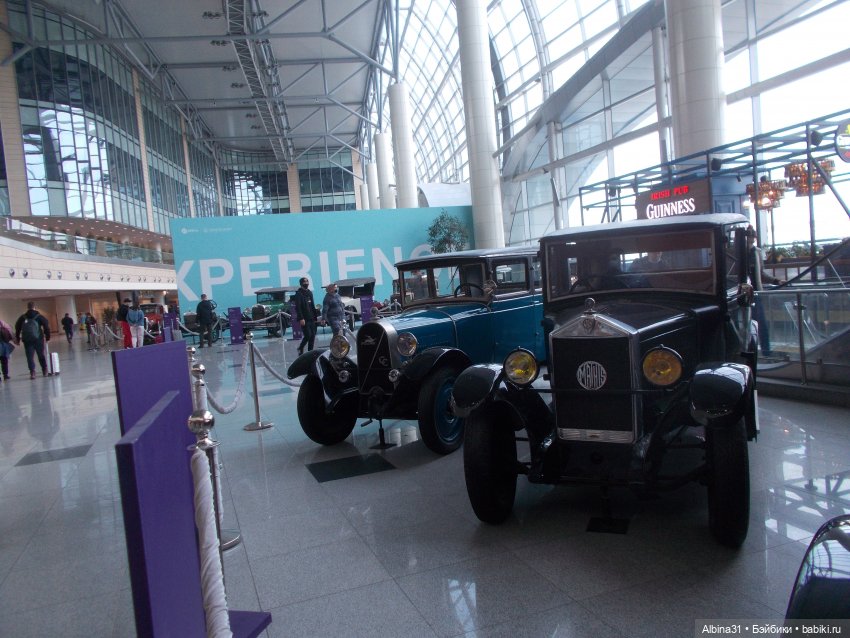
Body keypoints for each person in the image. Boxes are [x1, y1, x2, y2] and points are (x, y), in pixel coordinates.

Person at [747, 226, 785, 356]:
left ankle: (766, 352)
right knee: (747, 325)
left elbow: (761, 274)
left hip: (756, 293)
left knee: (761, 324)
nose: (752, 237)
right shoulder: (737, 252)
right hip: (742, 294)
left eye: (753, 235)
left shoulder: (756, 252)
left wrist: (776, 280)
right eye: (750, 235)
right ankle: (750, 351)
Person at [14, 301, 50, 379]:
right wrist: (47, 337)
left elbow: (17, 327)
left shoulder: (22, 317)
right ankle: (44, 370)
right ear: (34, 307)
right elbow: (46, 326)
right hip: (38, 339)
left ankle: (32, 372)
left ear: (27, 307)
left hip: (27, 340)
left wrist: (17, 338)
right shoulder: (39, 316)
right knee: (41, 355)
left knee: (30, 356)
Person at [294, 277, 318, 354]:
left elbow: (312, 304)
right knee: (308, 335)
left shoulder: (310, 292)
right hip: (304, 318)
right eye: (304, 282)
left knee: (313, 335)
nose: (306, 284)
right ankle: (300, 347)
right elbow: (298, 307)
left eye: (307, 282)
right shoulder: (298, 294)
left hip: (312, 317)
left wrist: (316, 316)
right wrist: (301, 318)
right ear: (301, 284)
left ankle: (310, 352)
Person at [0, 317, 14, 382]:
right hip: (3, 346)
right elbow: (9, 332)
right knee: (4, 361)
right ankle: (5, 375)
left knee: (4, 361)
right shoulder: (2, 324)